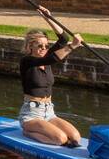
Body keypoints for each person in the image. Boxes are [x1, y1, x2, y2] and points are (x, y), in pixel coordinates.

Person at [19, 8, 85, 148]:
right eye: (39, 46)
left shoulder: (45, 57)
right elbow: (54, 58)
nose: (43, 48)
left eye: (46, 46)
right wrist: (72, 46)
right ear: (30, 46)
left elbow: (63, 39)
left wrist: (48, 17)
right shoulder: (27, 61)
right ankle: (27, 131)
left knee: (75, 138)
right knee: (60, 139)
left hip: (49, 112)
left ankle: (47, 130)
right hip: (32, 114)